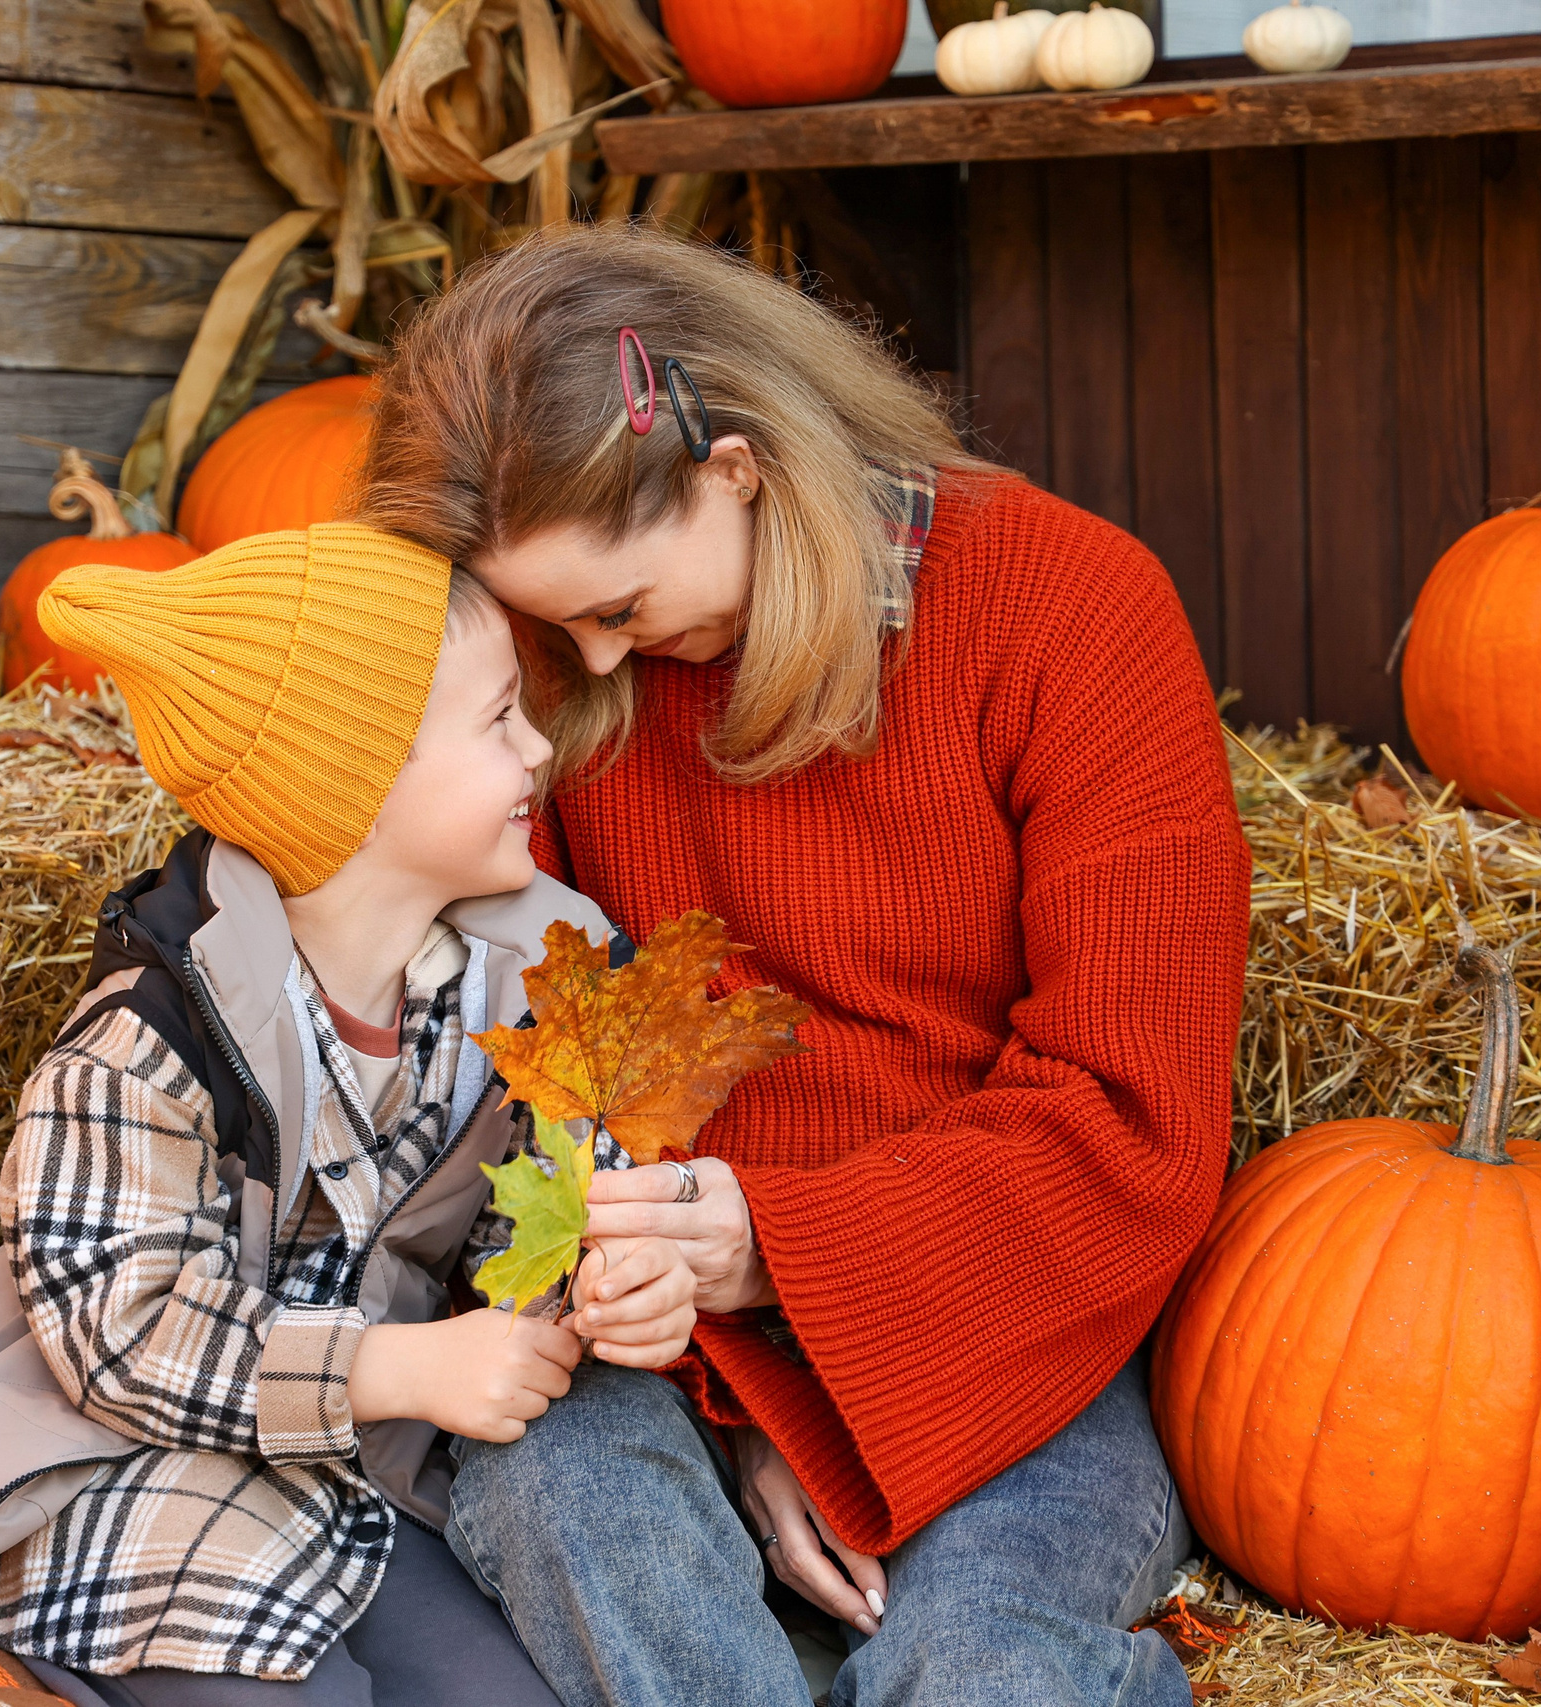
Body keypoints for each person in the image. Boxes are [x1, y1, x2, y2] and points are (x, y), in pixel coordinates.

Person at [354, 226, 1252, 1707]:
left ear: (738, 468)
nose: (591, 665)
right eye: (551, 627)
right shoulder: (547, 670)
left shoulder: (1071, 608)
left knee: (983, 1674)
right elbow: (515, 1083)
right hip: (654, 1337)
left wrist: (780, 1265)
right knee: (576, 1512)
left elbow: (1130, 1123)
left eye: (619, 609)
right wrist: (744, 1381)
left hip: (1011, 1326)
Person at [0, 524, 698, 1707]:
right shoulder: (149, 1038)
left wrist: (606, 1280)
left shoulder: (522, 985)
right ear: (357, 783)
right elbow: (122, 1336)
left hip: (343, 1470)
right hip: (105, 1469)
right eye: (499, 717)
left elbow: (538, 1220)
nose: (537, 746)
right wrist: (394, 1366)